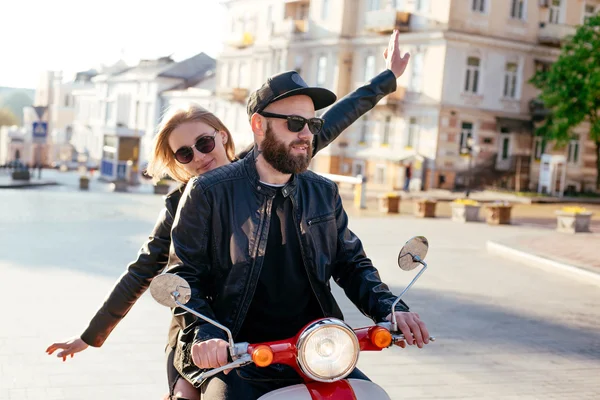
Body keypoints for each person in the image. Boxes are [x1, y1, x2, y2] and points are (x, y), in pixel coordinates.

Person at [46, 30, 412, 400]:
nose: (199, 156)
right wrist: (92, 336)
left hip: (306, 341)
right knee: (191, 391)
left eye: (204, 143)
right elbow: (147, 271)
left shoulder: (277, 159)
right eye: (185, 154)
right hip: (206, 329)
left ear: (222, 136)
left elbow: (330, 120)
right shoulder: (184, 202)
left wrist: (387, 78)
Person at [165, 34, 429, 400]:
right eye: (293, 122)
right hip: (236, 354)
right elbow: (184, 274)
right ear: (258, 126)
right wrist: (207, 335)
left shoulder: (323, 192)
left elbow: (350, 263)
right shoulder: (209, 191)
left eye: (311, 124)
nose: (305, 134)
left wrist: (391, 309)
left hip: (317, 350)